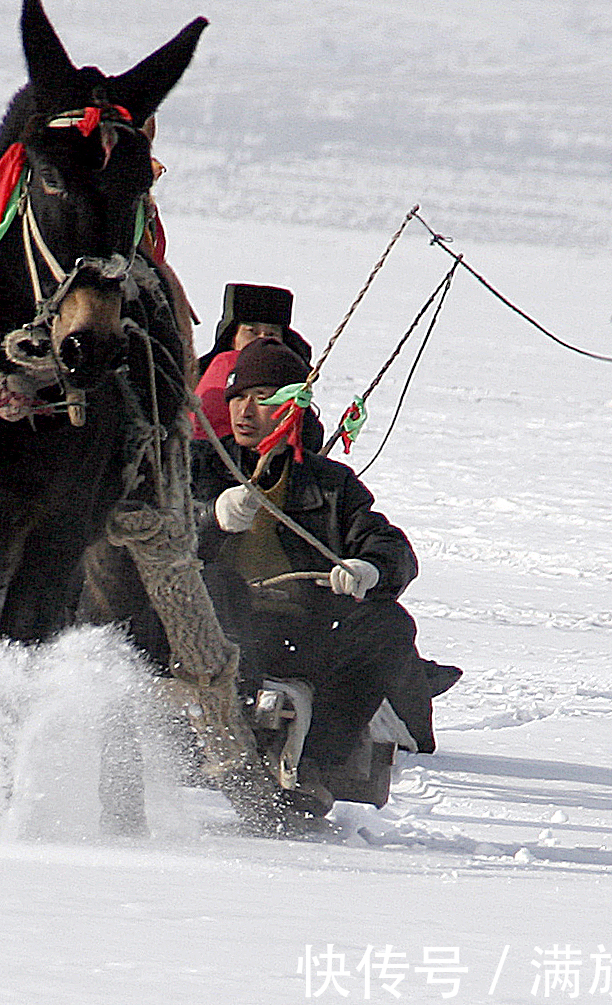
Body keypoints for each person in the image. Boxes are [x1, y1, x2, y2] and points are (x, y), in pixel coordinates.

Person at [194, 337, 460, 815]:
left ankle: (316, 765)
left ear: (293, 406)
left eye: (261, 398)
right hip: (219, 637)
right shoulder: (199, 469)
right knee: (218, 585)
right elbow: (150, 529)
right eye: (236, 398)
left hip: (304, 635)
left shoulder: (331, 484)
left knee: (388, 625)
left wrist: (369, 570)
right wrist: (207, 517)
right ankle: (235, 741)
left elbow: (391, 547)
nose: (244, 411)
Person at [193, 283, 316, 442]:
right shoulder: (223, 366)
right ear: (233, 338)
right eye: (252, 332)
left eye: (271, 334)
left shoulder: (284, 375)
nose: (261, 339)